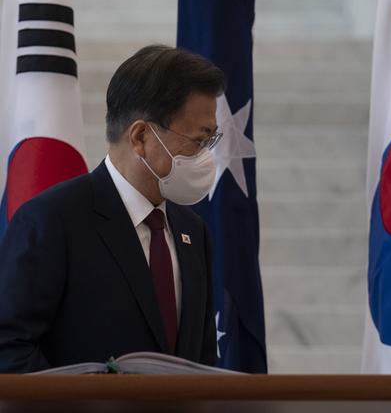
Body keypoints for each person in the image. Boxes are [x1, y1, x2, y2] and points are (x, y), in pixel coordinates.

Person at [0, 45, 224, 372]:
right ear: (141, 137)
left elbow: (201, 364)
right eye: (198, 141)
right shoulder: (52, 221)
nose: (206, 156)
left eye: (210, 142)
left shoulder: (193, 231)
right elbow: (9, 349)